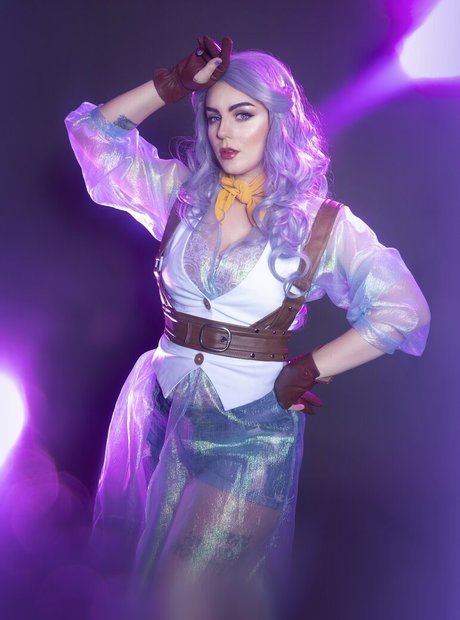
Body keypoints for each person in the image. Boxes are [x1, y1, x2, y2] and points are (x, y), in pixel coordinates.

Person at [65, 35, 430, 620]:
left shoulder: (321, 225)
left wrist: (307, 369)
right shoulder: (180, 195)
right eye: (213, 117)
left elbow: (403, 309)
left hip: (250, 433)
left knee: (183, 593)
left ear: (277, 122)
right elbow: (94, 135)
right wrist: (172, 83)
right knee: (145, 590)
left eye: (243, 115)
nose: (224, 133)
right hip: (163, 414)